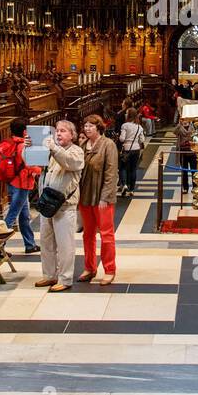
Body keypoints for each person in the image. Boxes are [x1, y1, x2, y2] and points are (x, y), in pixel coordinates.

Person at [35, 119, 83, 292]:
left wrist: (54, 148)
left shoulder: (76, 152)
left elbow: (68, 163)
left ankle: (65, 278)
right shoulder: (51, 151)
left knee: (65, 245)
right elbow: (32, 163)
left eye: (63, 131)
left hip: (64, 206)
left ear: (72, 135)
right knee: (46, 243)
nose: (59, 134)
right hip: (47, 204)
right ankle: (49, 275)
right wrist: (29, 147)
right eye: (57, 131)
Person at [77, 115, 119, 285]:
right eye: (85, 126)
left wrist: (105, 196)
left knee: (106, 234)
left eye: (91, 126)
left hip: (102, 197)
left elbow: (111, 173)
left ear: (99, 128)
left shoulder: (108, 145)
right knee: (87, 234)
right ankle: (89, 267)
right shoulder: (82, 145)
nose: (87, 129)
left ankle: (110, 269)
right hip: (85, 196)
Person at [0, 119, 41, 253]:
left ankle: (30, 244)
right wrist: (40, 170)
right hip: (22, 184)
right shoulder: (23, 146)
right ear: (25, 131)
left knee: (24, 215)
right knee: (11, 216)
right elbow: (30, 165)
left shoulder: (8, 143)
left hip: (11, 182)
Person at [118, 109, 146, 195]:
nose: (125, 114)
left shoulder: (125, 125)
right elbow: (142, 140)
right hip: (136, 149)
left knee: (123, 167)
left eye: (126, 113)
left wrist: (120, 138)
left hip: (127, 149)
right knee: (133, 169)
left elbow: (122, 138)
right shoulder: (139, 127)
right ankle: (132, 189)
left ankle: (124, 184)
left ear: (129, 115)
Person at [174, 124, 197, 194]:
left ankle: (195, 187)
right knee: (184, 171)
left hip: (192, 152)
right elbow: (174, 132)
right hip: (183, 152)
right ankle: (185, 187)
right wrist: (179, 124)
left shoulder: (193, 126)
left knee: (194, 171)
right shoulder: (179, 127)